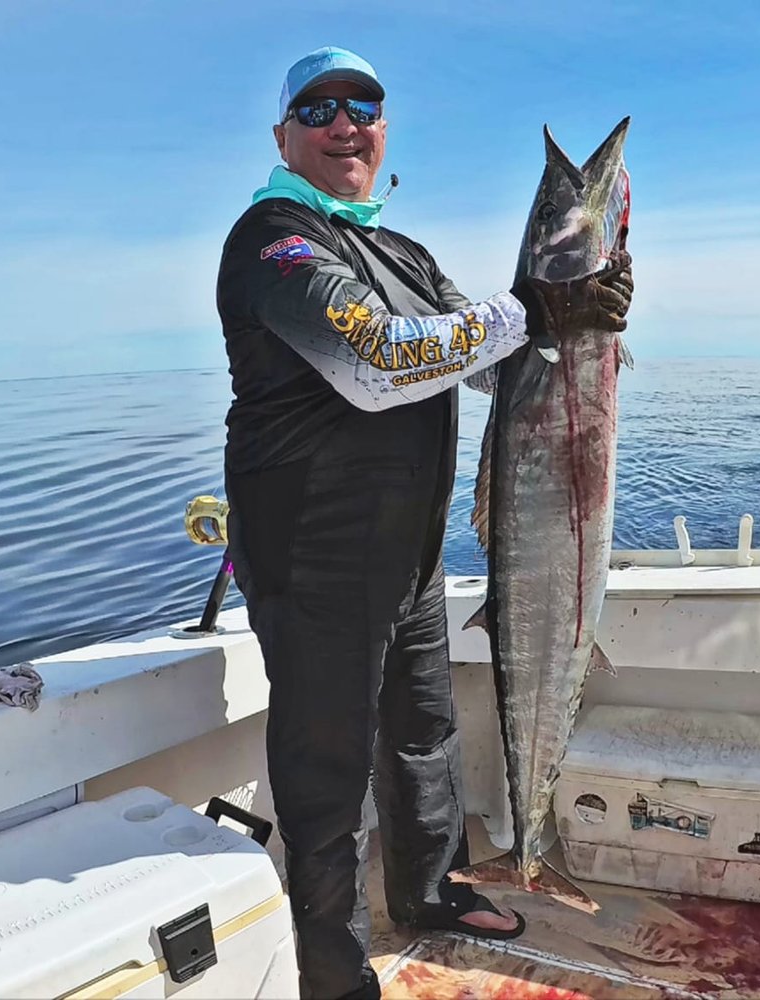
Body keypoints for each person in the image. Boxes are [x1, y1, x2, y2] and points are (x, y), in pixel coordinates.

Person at [214, 45, 633, 999]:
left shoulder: (404, 253)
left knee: (423, 738)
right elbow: (381, 361)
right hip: (313, 562)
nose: (343, 122)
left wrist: (579, 321)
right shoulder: (275, 241)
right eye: (317, 109)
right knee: (327, 772)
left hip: (406, 555)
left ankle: (433, 892)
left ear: (382, 127)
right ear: (286, 135)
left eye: (362, 104)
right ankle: (334, 968)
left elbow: (489, 364)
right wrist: (534, 304)